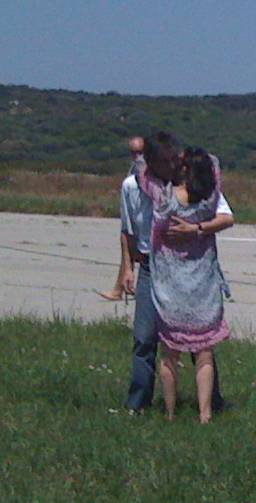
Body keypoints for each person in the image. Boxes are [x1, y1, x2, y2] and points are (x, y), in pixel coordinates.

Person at [122, 132, 234, 415]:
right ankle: (145, 404)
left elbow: (226, 217)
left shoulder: (167, 194)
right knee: (147, 339)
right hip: (154, 268)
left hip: (178, 275)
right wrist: (126, 266)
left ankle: (180, 410)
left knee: (181, 350)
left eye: (178, 160)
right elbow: (128, 230)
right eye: (168, 162)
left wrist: (195, 228)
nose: (175, 166)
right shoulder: (136, 188)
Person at [97, 136, 146, 301]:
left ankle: (120, 290)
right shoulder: (134, 169)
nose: (137, 156)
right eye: (133, 153)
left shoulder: (150, 166)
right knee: (128, 250)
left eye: (140, 152)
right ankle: (119, 289)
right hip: (136, 217)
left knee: (133, 252)